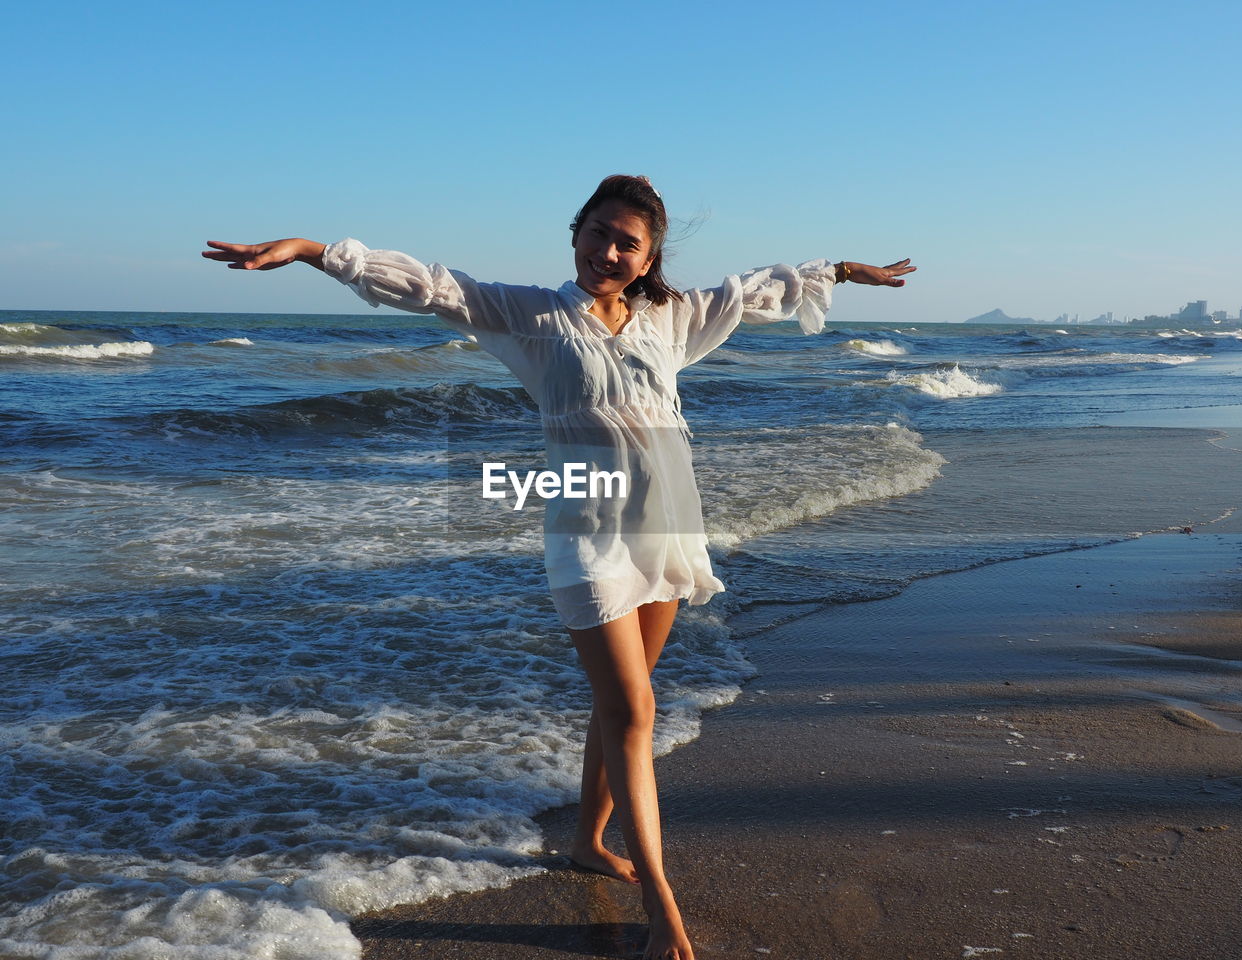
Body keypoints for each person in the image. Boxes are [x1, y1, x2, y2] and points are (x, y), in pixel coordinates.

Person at [202, 174, 914, 960]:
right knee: (634, 713)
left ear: (649, 258)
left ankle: (587, 840)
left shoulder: (673, 318)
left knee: (620, 705)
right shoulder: (534, 316)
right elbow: (436, 287)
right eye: (597, 233)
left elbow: (757, 290)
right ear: (574, 231)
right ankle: (663, 905)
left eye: (628, 243)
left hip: (668, 529)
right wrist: (313, 252)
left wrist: (845, 271)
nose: (608, 252)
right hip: (586, 535)